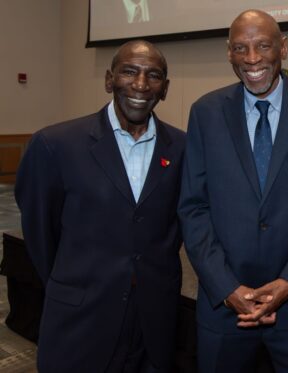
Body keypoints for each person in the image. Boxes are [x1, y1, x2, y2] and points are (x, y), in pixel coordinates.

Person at [177, 9, 288, 373]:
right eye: (241, 48)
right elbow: (193, 207)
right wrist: (227, 287)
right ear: (229, 53)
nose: (252, 59)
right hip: (224, 310)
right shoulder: (205, 113)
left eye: (263, 46)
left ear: (283, 48)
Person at [14, 40, 185, 372]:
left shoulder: (183, 148)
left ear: (164, 89)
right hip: (79, 319)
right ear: (109, 80)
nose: (140, 84)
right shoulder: (55, 144)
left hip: (153, 322)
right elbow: (39, 232)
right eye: (129, 72)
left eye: (153, 76)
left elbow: (175, 228)